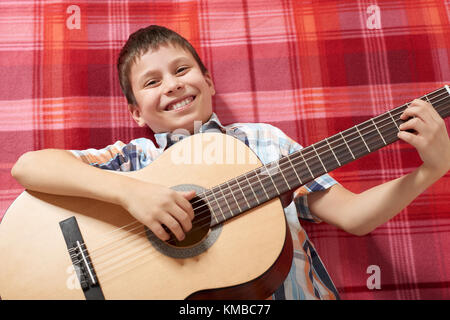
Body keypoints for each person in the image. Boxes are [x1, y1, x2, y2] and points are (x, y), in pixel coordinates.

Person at [11, 25, 450, 300]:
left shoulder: (262, 143)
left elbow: (354, 217)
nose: (172, 85)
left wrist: (430, 170)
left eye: (182, 70)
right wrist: (132, 193)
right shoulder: (134, 160)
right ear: (135, 113)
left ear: (209, 81)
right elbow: (28, 167)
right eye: (151, 81)